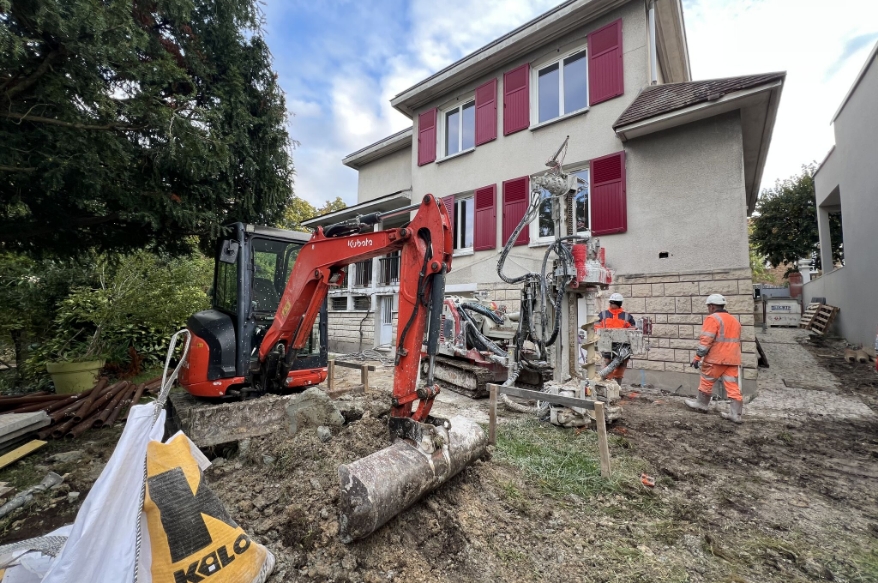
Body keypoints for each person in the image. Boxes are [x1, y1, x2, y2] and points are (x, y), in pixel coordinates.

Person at [685, 294, 744, 423]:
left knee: (706, 381)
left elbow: (706, 340)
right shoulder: (734, 320)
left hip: (716, 358)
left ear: (712, 306)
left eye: (708, 306)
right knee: (732, 387)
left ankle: (701, 404)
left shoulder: (712, 319)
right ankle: (736, 415)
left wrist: (697, 357)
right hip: (733, 359)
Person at [594, 292, 636, 381]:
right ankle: (608, 387)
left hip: (623, 348)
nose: (612, 304)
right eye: (611, 302)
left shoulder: (627, 316)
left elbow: (633, 330)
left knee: (620, 370)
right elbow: (596, 327)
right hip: (607, 347)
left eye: (614, 303)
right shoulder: (603, 315)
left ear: (619, 304)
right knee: (607, 369)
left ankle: (617, 388)